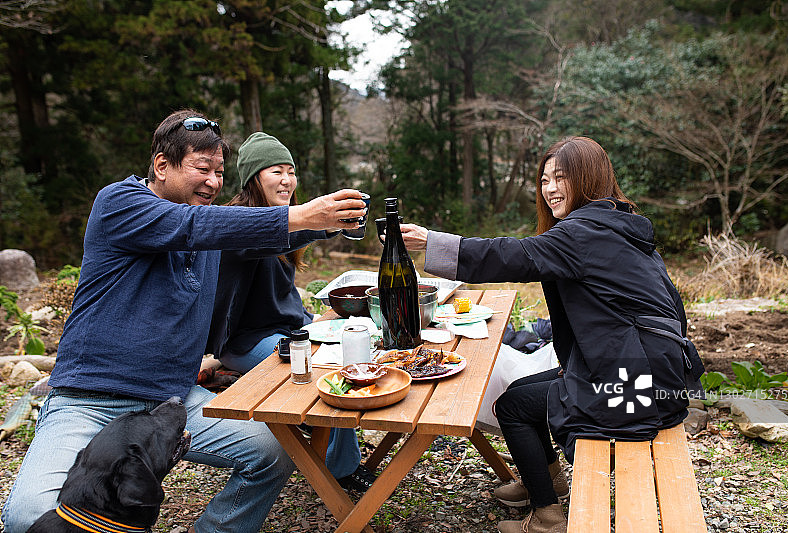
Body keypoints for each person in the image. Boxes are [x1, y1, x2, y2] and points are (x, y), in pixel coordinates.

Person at [0, 109, 366, 533]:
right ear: (161, 165)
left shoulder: (210, 231)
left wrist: (328, 224)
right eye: (202, 168)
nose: (213, 181)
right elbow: (190, 226)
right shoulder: (119, 203)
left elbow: (242, 233)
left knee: (274, 452)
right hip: (91, 399)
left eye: (219, 172)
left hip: (172, 403)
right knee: (27, 518)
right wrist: (303, 215)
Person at [400, 136, 700, 533]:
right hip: (655, 373)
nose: (550, 188)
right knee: (521, 394)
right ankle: (548, 481)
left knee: (513, 408)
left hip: (634, 388)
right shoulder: (620, 224)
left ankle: (547, 518)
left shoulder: (583, 232)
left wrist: (431, 242)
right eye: (544, 180)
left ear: (589, 178)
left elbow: (511, 255)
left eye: (561, 178)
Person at [205, 131, 374, 491]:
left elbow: (282, 289)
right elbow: (263, 238)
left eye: (291, 171)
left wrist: (319, 319)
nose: (286, 180)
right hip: (247, 341)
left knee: (353, 348)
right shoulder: (236, 221)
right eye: (275, 171)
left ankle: (334, 449)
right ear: (254, 178)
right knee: (330, 371)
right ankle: (338, 471)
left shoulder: (286, 220)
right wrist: (326, 224)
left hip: (291, 330)